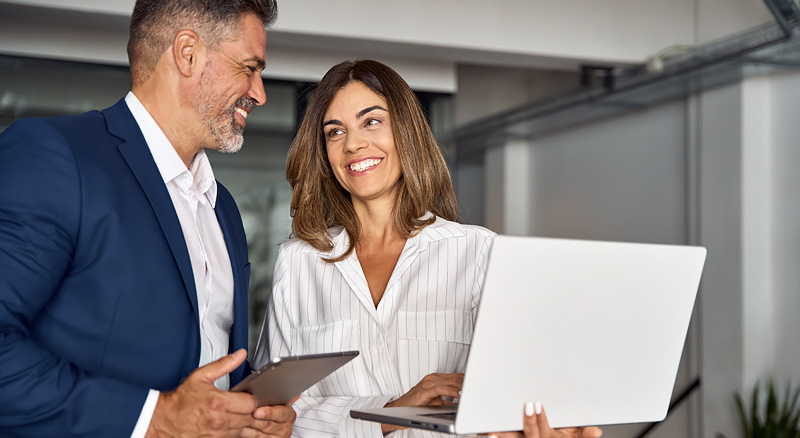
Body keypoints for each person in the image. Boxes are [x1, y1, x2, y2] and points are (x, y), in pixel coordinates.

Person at [253, 59, 602, 438]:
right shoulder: (299, 263)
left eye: (371, 121)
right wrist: (391, 411)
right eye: (335, 132)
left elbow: (513, 389)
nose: (353, 143)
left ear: (405, 132)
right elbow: (275, 413)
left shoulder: (479, 252)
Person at [0, 1, 296, 437]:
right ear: (187, 53)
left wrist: (253, 412)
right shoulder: (56, 157)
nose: (260, 91)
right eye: (249, 67)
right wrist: (155, 419)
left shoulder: (224, 208)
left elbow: (202, 356)